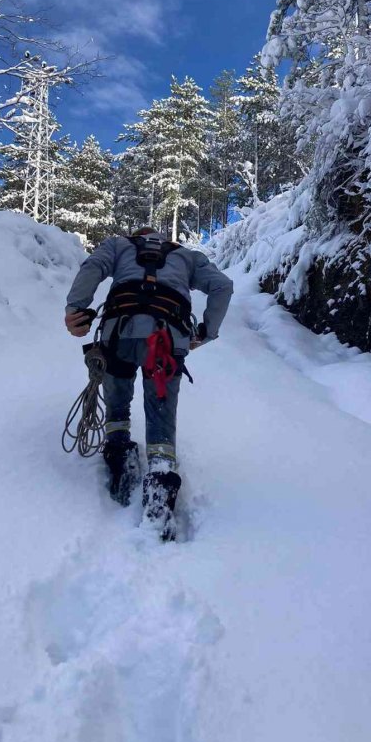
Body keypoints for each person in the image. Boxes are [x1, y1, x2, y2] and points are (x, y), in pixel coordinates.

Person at [64, 227, 233, 540]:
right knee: (160, 413)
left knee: (117, 403)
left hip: (118, 330)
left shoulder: (118, 245)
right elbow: (222, 285)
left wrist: (76, 308)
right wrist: (206, 332)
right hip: (168, 337)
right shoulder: (187, 256)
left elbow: (93, 267)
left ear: (136, 237)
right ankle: (160, 477)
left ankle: (119, 458)